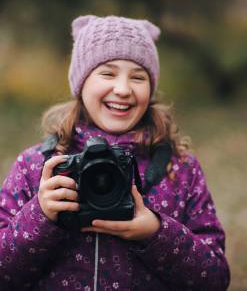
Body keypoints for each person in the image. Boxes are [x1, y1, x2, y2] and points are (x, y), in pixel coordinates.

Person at [0, 15, 230, 291]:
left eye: (138, 77)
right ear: (81, 82)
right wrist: (40, 215)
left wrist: (157, 233)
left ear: (151, 87)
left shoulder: (178, 170)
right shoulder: (38, 166)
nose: (122, 89)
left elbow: (215, 279)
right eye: (107, 73)